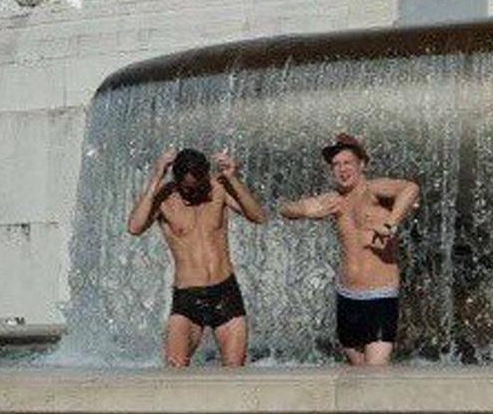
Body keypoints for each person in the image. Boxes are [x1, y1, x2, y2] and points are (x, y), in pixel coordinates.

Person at [280, 133, 419, 366]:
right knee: (357, 372)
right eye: (336, 165)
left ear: (362, 164)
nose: (342, 169)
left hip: (380, 295)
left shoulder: (374, 190)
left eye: (347, 163)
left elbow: (410, 188)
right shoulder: (334, 200)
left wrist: (390, 223)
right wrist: (306, 212)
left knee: (374, 373)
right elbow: (285, 208)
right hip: (346, 297)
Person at [127, 148, 266, 367]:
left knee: (235, 373)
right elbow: (135, 227)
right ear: (177, 179)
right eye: (187, 189)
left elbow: (258, 216)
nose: (194, 193)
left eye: (198, 186)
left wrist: (232, 178)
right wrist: (156, 176)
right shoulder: (164, 197)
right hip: (187, 297)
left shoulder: (218, 188)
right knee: (175, 367)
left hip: (225, 293)